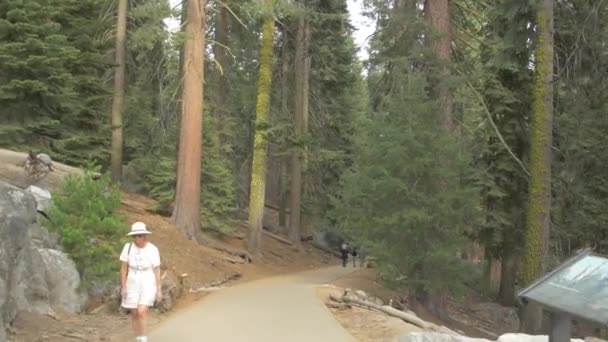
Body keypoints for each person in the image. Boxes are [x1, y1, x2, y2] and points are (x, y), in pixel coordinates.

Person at [120, 222, 162, 342]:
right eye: (134, 236)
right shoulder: (128, 248)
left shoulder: (153, 249)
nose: (136, 238)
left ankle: (143, 338)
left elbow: (157, 269)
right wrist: (123, 287)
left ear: (144, 236)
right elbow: (123, 268)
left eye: (139, 235)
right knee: (134, 311)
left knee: (141, 311)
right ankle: (138, 337)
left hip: (148, 279)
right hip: (132, 280)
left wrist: (159, 289)